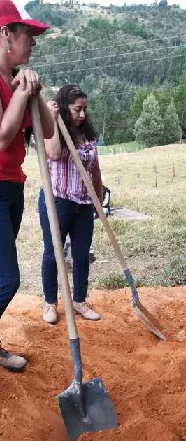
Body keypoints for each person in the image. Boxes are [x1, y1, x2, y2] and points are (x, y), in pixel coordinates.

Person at [0, 0, 53, 371]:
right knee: (7, 279)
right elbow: (2, 137)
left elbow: (47, 131)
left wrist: (35, 93)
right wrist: (20, 94)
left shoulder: (15, 81)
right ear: (5, 34)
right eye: (27, 35)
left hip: (12, 187)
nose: (32, 42)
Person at [40, 84, 103, 324]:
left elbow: (95, 170)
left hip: (84, 204)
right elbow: (54, 153)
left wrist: (98, 201)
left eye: (85, 109)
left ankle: (79, 300)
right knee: (53, 253)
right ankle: (50, 303)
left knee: (81, 254)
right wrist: (53, 120)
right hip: (57, 200)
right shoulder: (49, 128)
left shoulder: (86, 135)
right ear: (66, 108)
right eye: (78, 110)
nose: (83, 115)